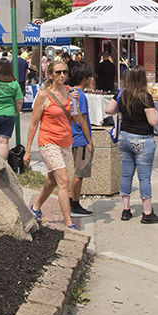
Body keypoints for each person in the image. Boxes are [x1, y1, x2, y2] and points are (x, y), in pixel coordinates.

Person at [105, 65, 158, 224]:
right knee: (144, 178)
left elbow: (108, 109)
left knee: (126, 174)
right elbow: (153, 121)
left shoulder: (122, 93)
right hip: (143, 139)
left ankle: (126, 210)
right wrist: (156, 114)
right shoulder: (145, 97)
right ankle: (147, 212)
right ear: (144, 79)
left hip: (125, 137)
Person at [24, 61, 78, 230]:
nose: (62, 75)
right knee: (64, 180)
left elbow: (75, 118)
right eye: (58, 72)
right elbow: (33, 124)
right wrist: (27, 150)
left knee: (52, 180)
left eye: (64, 72)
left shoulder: (71, 92)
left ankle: (36, 206)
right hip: (48, 141)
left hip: (66, 142)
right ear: (50, 75)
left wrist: (75, 102)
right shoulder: (43, 96)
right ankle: (68, 222)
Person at [68, 63, 95, 217]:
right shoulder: (81, 95)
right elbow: (82, 120)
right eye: (89, 77)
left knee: (78, 172)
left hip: (74, 136)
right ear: (85, 78)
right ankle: (74, 203)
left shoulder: (72, 93)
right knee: (79, 173)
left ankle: (73, 201)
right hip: (80, 138)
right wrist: (89, 141)